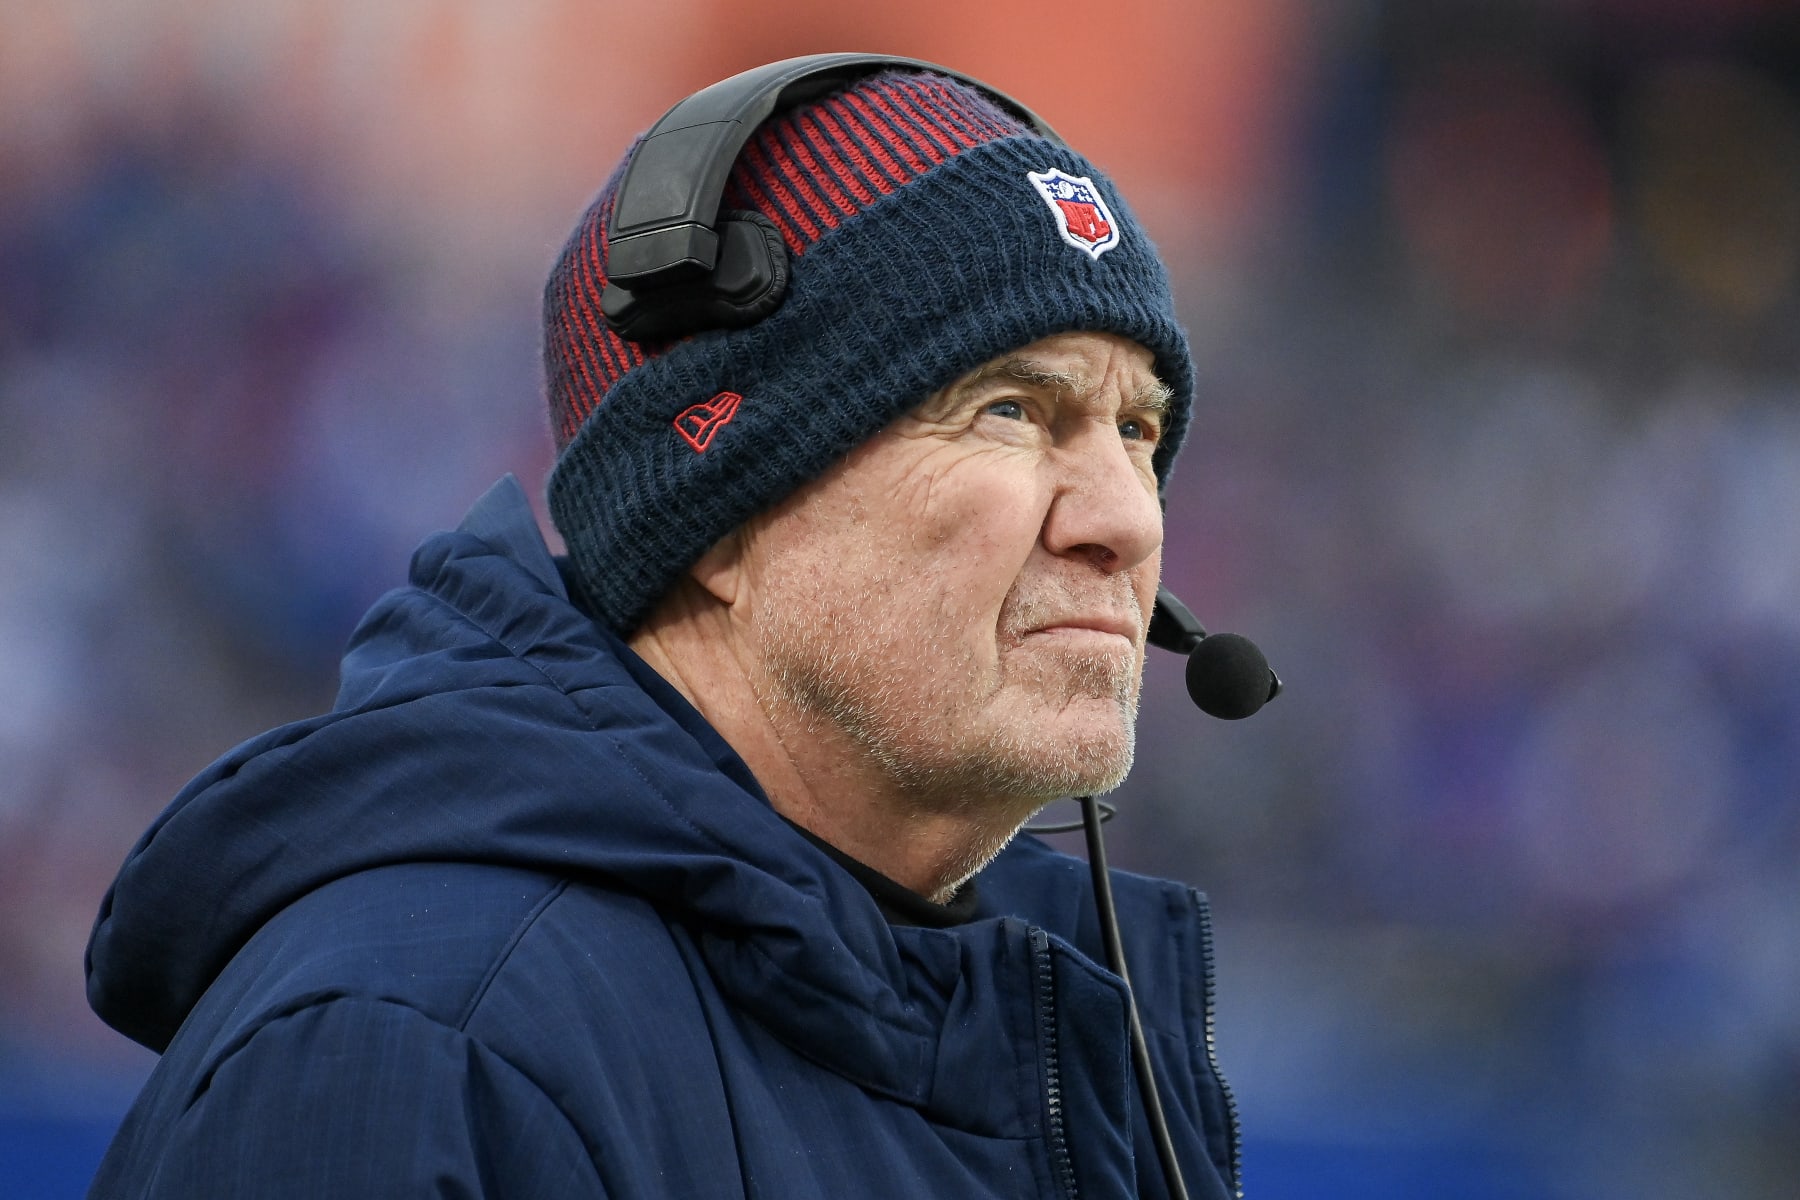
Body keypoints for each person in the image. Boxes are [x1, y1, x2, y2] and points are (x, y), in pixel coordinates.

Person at [86, 59, 1243, 1199]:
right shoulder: (415, 1053)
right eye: (1011, 411)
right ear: (719, 516)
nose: (1127, 521)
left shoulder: (1085, 1048)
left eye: (1139, 431)